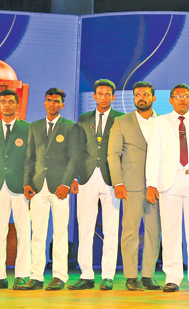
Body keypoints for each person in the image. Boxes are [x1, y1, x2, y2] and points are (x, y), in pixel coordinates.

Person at [145, 84, 189, 292]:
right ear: (170, 100)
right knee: (170, 232)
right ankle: (172, 277)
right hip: (168, 182)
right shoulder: (159, 122)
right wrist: (151, 184)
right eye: (178, 96)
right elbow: (153, 154)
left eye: (186, 96)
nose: (182, 99)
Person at [19, 88, 83, 291]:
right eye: (49, 100)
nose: (52, 104)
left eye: (56, 101)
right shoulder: (35, 126)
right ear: (44, 102)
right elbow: (29, 157)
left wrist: (66, 183)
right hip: (38, 187)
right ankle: (36, 276)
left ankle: (60, 276)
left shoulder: (71, 127)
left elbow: (75, 158)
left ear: (62, 104)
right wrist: (27, 182)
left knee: (60, 233)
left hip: (60, 188)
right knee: (37, 233)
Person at [107, 81, 163, 291]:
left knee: (153, 232)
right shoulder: (122, 122)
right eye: (137, 95)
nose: (141, 98)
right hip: (130, 186)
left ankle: (148, 275)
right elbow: (113, 154)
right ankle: (131, 276)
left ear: (153, 98)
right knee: (130, 231)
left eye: (145, 94)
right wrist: (118, 182)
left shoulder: (163, 122)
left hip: (157, 186)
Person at [69, 79, 124, 291]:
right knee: (85, 226)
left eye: (107, 94)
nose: (103, 97)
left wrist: (122, 179)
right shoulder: (83, 119)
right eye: (99, 94)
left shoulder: (121, 119)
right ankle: (86, 274)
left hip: (112, 178)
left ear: (113, 97)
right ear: (94, 96)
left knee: (111, 228)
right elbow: (77, 149)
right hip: (86, 177)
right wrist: (74, 177)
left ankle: (108, 275)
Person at [0, 90, 32, 290]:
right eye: (3, 102)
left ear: (17, 105)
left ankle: (22, 275)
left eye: (11, 101)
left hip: (21, 186)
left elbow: (32, 159)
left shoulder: (28, 129)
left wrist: (30, 184)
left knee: (23, 232)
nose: (7, 105)